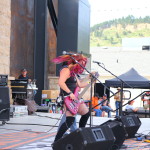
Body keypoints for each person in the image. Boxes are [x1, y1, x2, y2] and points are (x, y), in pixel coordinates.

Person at [52, 52, 91, 142]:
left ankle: (81, 135)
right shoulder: (65, 70)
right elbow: (61, 82)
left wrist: (90, 79)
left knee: (86, 114)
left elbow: (80, 84)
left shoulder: (73, 72)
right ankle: (56, 141)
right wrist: (70, 93)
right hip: (68, 97)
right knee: (69, 120)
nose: (82, 65)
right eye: (82, 63)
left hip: (75, 97)